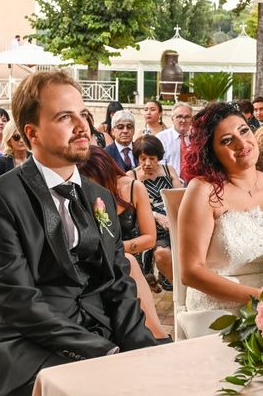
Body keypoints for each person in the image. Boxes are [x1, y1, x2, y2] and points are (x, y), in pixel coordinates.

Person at [0, 71, 156, 396]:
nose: (83, 126)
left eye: (83, 114)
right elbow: (17, 300)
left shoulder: (100, 197)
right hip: (24, 343)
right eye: (64, 117)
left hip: (99, 329)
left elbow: (118, 283)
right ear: (33, 133)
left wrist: (144, 349)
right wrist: (103, 353)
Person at [177, 103, 263, 335]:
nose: (241, 143)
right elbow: (191, 272)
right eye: (227, 140)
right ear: (211, 151)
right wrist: (260, 298)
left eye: (244, 131)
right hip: (217, 312)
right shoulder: (203, 190)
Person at [78, 147, 170, 340]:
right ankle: (154, 336)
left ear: (104, 171)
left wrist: (114, 249)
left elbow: (149, 238)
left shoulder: (133, 187)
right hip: (95, 262)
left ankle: (155, 334)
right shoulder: (79, 192)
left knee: (127, 261)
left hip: (129, 260)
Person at [131, 135, 183, 291]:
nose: (147, 164)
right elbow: (133, 209)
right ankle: (177, 285)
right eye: (142, 159)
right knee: (162, 254)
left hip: (173, 222)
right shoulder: (131, 177)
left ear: (159, 157)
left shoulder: (169, 170)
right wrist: (156, 215)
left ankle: (171, 278)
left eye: (152, 158)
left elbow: (179, 198)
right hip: (150, 227)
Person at [155, 102, 193, 181]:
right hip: (168, 183)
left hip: (193, 184)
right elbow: (157, 164)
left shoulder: (197, 137)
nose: (183, 120)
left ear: (191, 119)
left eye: (187, 117)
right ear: (172, 119)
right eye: (179, 117)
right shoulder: (161, 138)